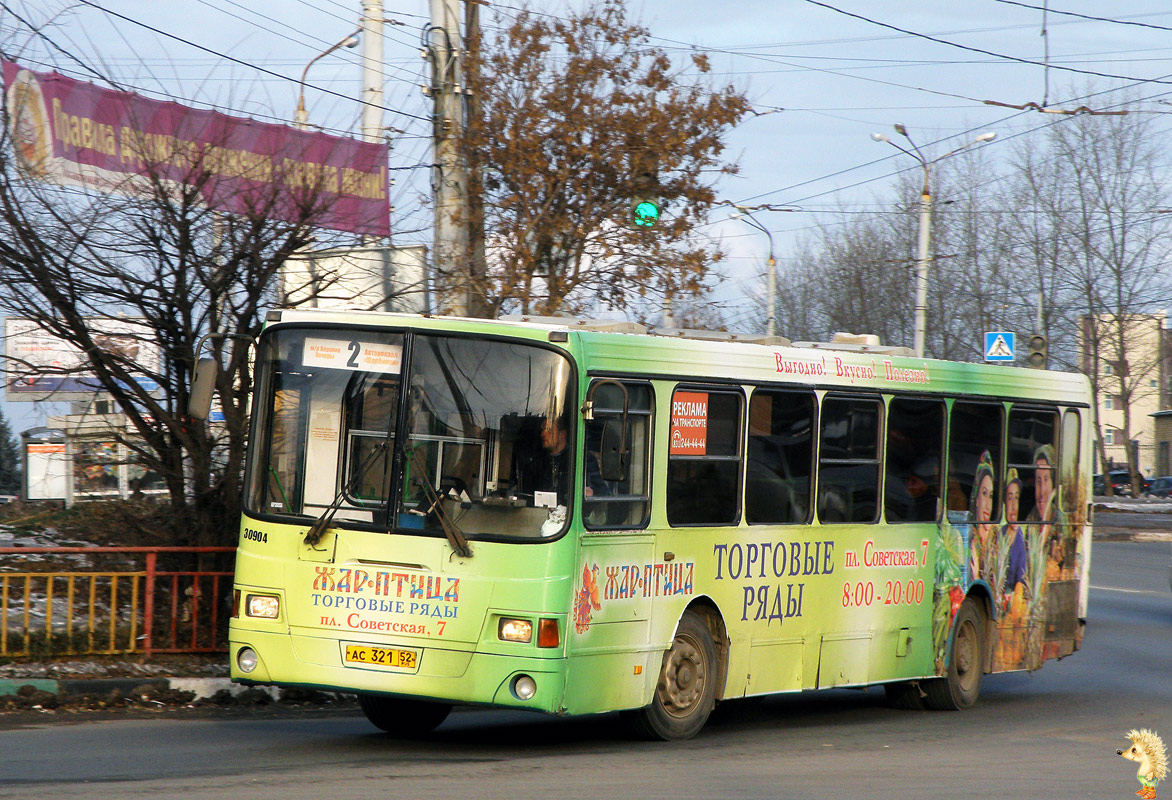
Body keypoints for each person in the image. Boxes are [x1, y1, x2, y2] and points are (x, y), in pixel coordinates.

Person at [968, 452, 997, 585]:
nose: (988, 504)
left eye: (990, 496)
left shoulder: (995, 534)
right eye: (984, 494)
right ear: (977, 499)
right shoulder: (969, 535)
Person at [1001, 469, 1028, 601]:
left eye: (1016, 498)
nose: (1013, 505)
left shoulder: (1022, 540)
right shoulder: (999, 534)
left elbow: (1021, 581)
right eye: (1009, 498)